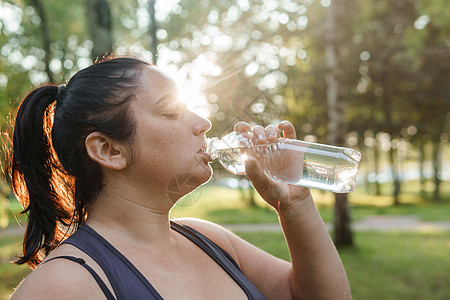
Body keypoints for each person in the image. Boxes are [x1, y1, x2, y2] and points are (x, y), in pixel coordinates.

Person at [7, 56, 351, 299]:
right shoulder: (63, 286)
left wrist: (295, 205)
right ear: (109, 150)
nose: (203, 123)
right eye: (172, 112)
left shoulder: (210, 240)